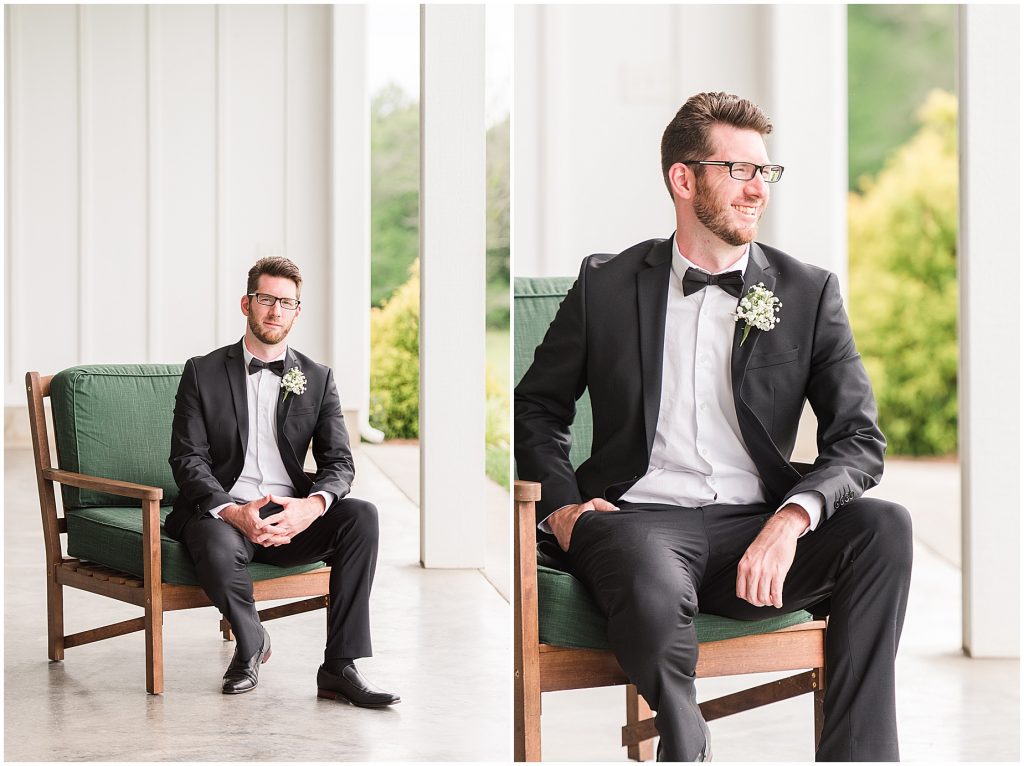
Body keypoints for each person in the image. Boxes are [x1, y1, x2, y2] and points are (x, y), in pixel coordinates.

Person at [515, 92, 912, 761]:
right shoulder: (606, 287)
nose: (760, 189)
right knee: (646, 570)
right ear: (684, 178)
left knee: (885, 528)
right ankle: (684, 741)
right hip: (635, 519)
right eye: (741, 171)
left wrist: (790, 521)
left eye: (767, 172)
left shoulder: (808, 292)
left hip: (755, 528)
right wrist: (561, 511)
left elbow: (859, 439)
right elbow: (537, 407)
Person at [167, 256, 399, 705]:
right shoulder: (203, 371)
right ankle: (251, 642)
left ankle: (339, 668)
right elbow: (187, 457)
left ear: (297, 311)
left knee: (362, 517)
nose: (275, 311)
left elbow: (339, 463)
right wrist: (234, 512)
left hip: (290, 514)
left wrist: (309, 507)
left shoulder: (317, 377)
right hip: (223, 512)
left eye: (286, 303)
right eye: (266, 299)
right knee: (214, 542)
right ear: (246, 304)